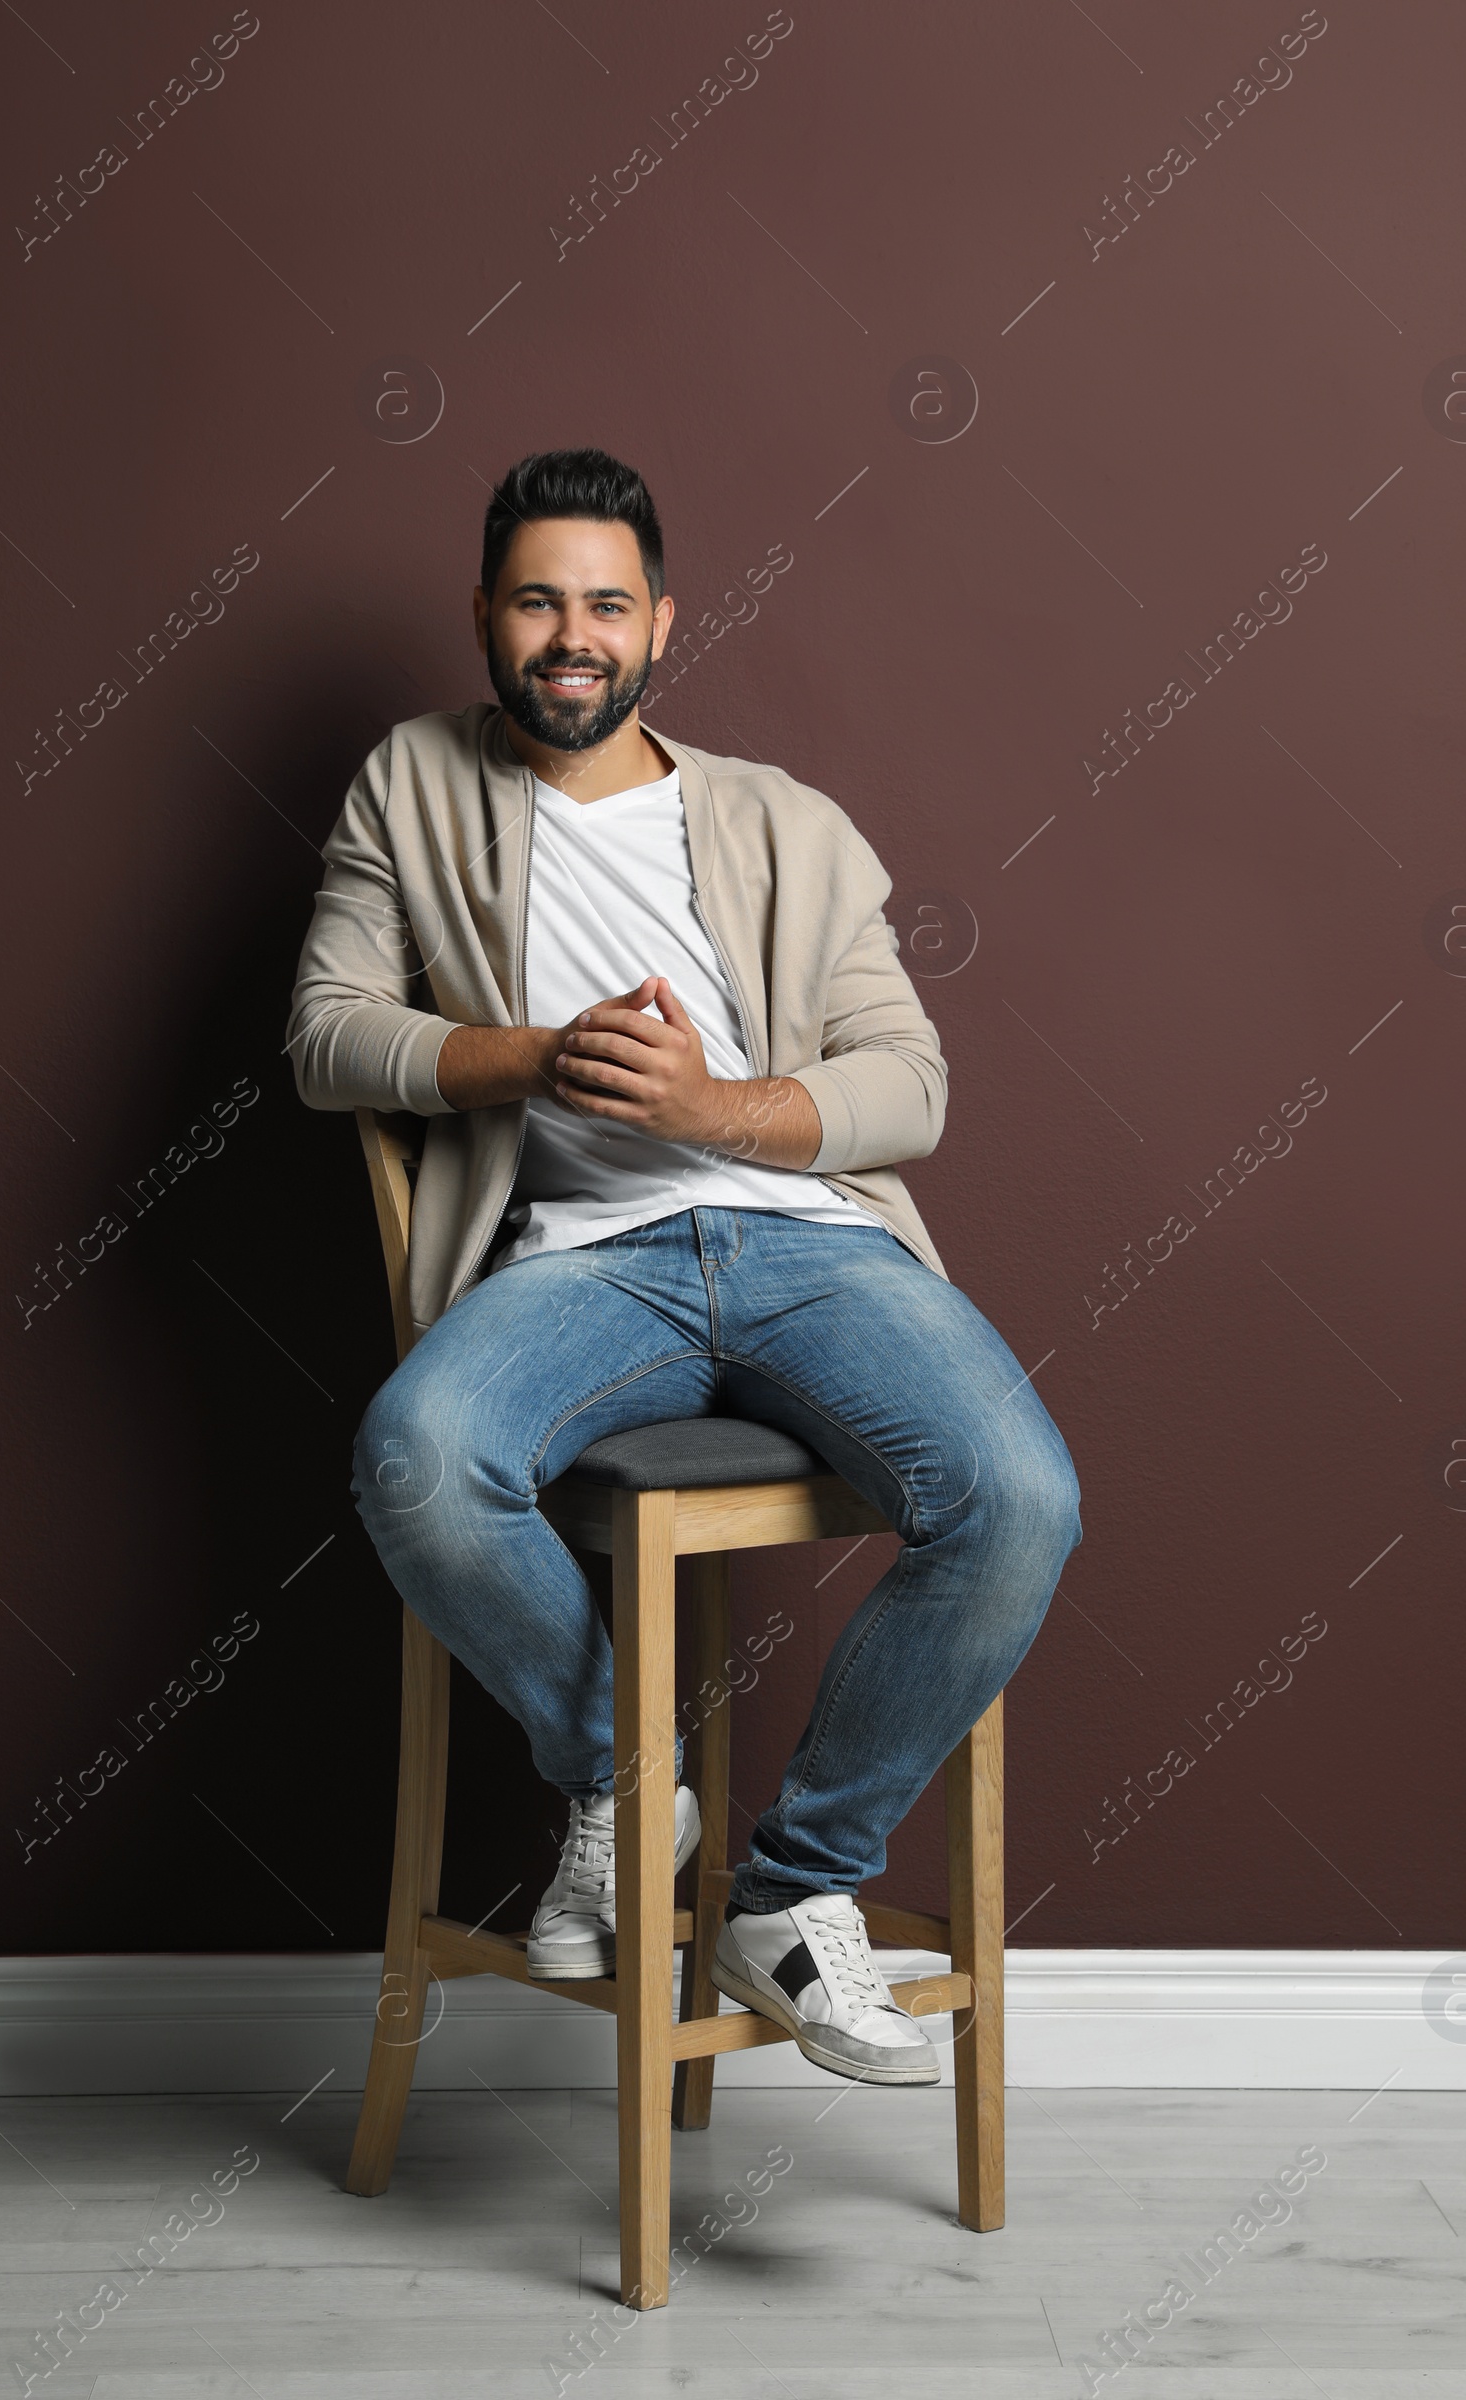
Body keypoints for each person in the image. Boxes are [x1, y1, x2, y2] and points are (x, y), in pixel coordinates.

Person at [287, 448, 1082, 2084]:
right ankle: (628, 1785)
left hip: (811, 1251)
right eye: (535, 601)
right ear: (487, 619)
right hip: (584, 1267)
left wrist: (717, 1107)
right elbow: (324, 1037)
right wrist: (532, 1063)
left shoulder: (784, 820)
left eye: (603, 603)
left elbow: (909, 1084)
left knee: (1019, 1493)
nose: (569, 635)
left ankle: (791, 1897)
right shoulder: (411, 783)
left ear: (660, 622)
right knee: (418, 1457)